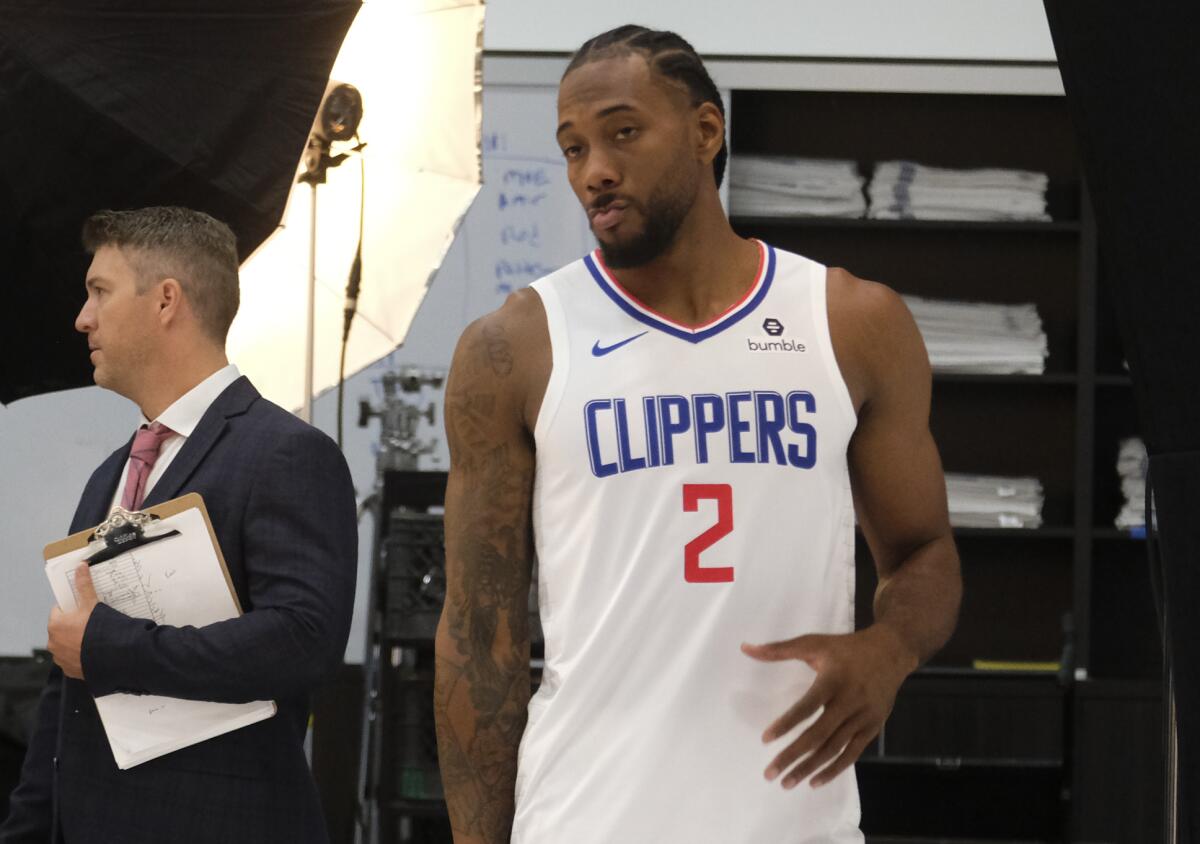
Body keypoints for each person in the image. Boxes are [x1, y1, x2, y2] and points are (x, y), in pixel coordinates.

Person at [434, 25, 962, 844]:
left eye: (622, 132)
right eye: (572, 149)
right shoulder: (514, 348)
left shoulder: (853, 323)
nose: (593, 171)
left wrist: (890, 648)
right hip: (587, 818)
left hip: (793, 824)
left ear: (706, 132)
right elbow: (479, 635)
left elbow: (924, 551)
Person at [0, 207, 357, 844]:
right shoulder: (111, 473)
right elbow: (70, 689)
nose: (82, 318)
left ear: (166, 300)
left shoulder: (286, 452)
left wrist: (109, 647)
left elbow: (305, 640)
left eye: (99, 292)